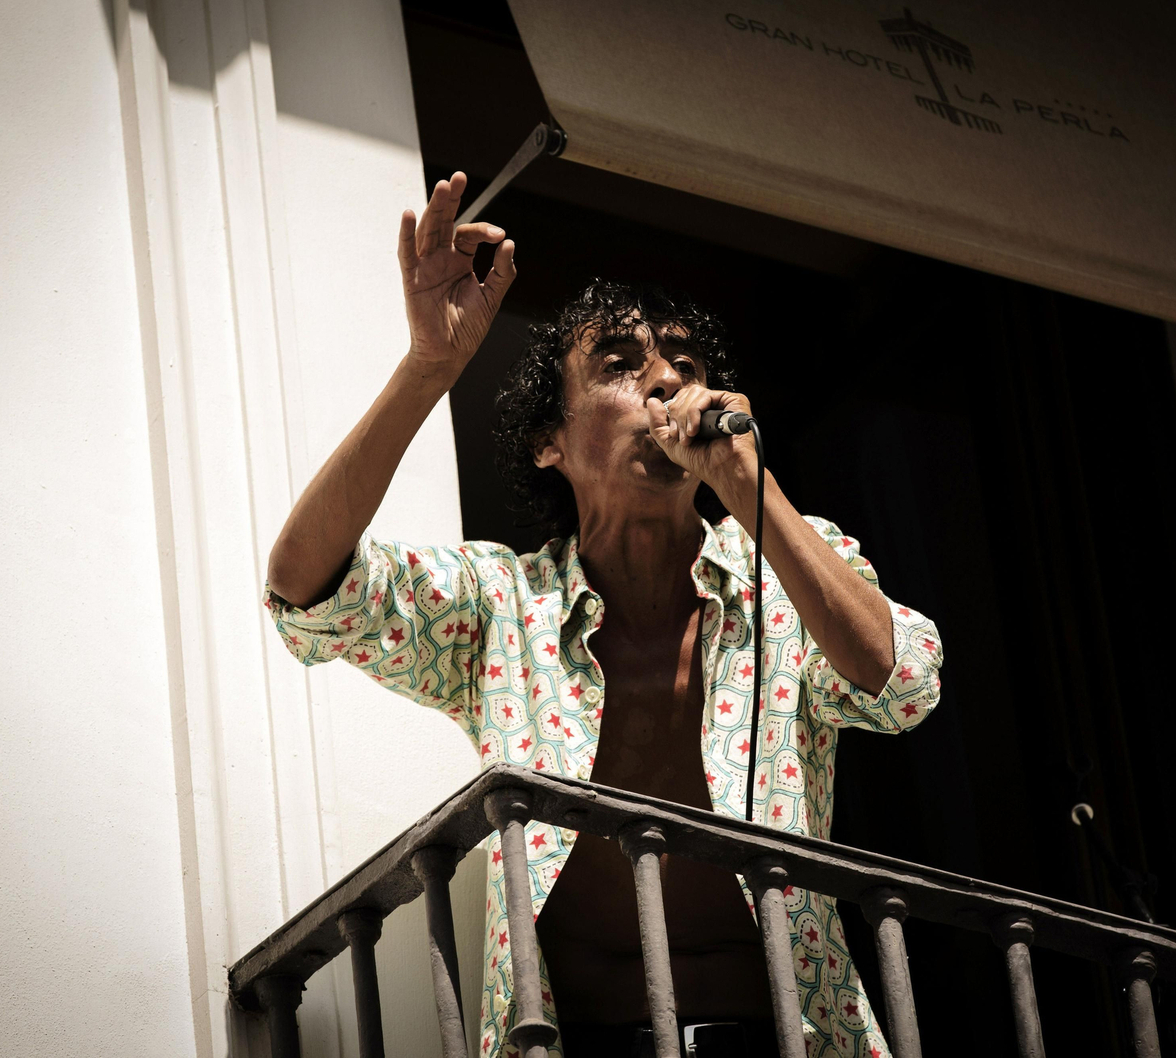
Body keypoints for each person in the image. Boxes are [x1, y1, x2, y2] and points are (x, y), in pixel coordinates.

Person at [264, 173, 943, 1058]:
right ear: (551, 440)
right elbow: (305, 595)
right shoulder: (502, 608)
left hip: (796, 1037)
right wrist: (430, 367)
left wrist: (751, 491)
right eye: (621, 364)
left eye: (686, 365)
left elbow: (905, 686)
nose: (666, 380)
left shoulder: (783, 571)